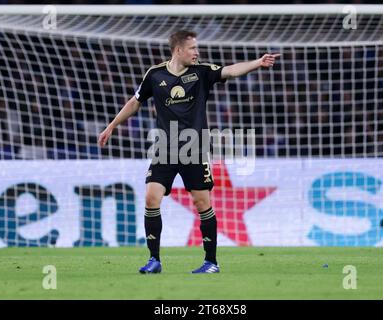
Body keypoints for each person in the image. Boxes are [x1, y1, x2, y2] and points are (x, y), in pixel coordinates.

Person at [98, 30, 279, 274]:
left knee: (202, 203)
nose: (197, 52)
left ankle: (211, 262)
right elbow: (135, 102)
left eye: (197, 48)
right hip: (164, 149)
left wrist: (258, 62)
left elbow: (230, 70)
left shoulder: (202, 72)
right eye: (193, 48)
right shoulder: (155, 74)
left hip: (194, 148)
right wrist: (111, 125)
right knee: (151, 198)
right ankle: (154, 260)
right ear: (178, 50)